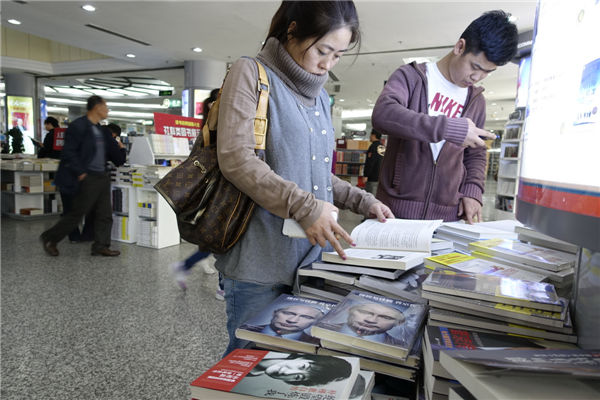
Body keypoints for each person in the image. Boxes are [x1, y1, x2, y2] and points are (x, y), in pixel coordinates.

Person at [215, 0, 393, 356]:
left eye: (338, 55)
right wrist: (304, 207)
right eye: (323, 50)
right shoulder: (251, 73)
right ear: (292, 30)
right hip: (259, 259)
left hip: (312, 260)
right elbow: (235, 158)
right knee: (249, 361)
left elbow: (316, 176)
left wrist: (365, 201)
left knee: (297, 359)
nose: (328, 64)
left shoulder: (322, 98)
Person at [371, 10, 518, 224]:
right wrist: (449, 128)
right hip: (394, 211)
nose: (478, 77)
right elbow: (384, 114)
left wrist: (473, 190)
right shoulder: (411, 77)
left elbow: (476, 153)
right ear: (460, 47)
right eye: (475, 67)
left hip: (448, 216)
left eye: (488, 72)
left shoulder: (476, 100)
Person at [40, 95, 126, 257]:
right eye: (105, 106)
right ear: (96, 108)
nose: (107, 110)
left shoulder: (100, 130)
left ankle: (101, 245)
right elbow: (69, 152)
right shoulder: (78, 126)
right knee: (77, 213)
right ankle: (50, 238)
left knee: (105, 214)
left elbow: (110, 154)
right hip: (87, 177)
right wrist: (81, 172)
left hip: (102, 175)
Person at [248, 353, 352, 385]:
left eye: (298, 377)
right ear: (302, 356)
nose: (287, 373)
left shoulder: (249, 376)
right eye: (302, 366)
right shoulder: (254, 349)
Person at [244, 304, 324, 343]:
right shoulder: (245, 329)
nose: (292, 320)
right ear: (274, 313)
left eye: (306, 317)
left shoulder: (317, 342)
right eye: (288, 313)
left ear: (315, 322)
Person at [335, 302, 406, 346]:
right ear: (350, 310)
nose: (371, 320)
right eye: (365, 312)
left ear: (399, 322)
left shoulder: (401, 346)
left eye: (386, 317)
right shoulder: (326, 329)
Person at [363, 129, 384, 195]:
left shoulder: (373, 147)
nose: (370, 137)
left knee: (370, 196)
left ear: (373, 135)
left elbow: (370, 162)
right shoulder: (382, 147)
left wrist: (366, 175)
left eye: (370, 135)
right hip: (380, 177)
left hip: (371, 177)